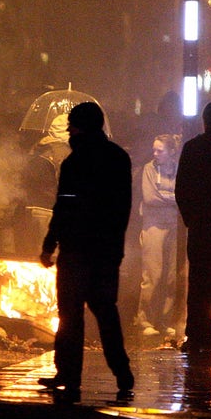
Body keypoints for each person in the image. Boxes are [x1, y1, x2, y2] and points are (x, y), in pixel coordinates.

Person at [38, 102, 134, 403]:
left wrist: (49, 243)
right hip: (105, 250)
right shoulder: (119, 158)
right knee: (106, 311)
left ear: (79, 127)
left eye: (71, 125)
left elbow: (64, 206)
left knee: (69, 315)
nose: (69, 130)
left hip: (76, 249)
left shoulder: (74, 162)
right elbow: (123, 208)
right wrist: (116, 247)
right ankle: (123, 374)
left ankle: (68, 374)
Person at [175, 101, 211, 352]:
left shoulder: (193, 148)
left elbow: (182, 189)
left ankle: (198, 335)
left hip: (201, 227)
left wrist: (191, 219)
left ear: (204, 121)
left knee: (199, 283)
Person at [134, 134, 182, 338]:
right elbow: (151, 197)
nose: (155, 154)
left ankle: (163, 319)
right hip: (153, 225)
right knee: (152, 274)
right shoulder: (149, 169)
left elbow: (182, 195)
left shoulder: (178, 169)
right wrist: (173, 200)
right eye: (154, 149)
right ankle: (144, 319)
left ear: (171, 152)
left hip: (173, 226)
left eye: (159, 150)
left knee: (170, 277)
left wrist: (171, 199)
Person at [14, 113, 70, 255]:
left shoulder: (40, 149)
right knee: (46, 260)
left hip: (28, 212)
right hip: (44, 214)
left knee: (29, 257)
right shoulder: (60, 154)